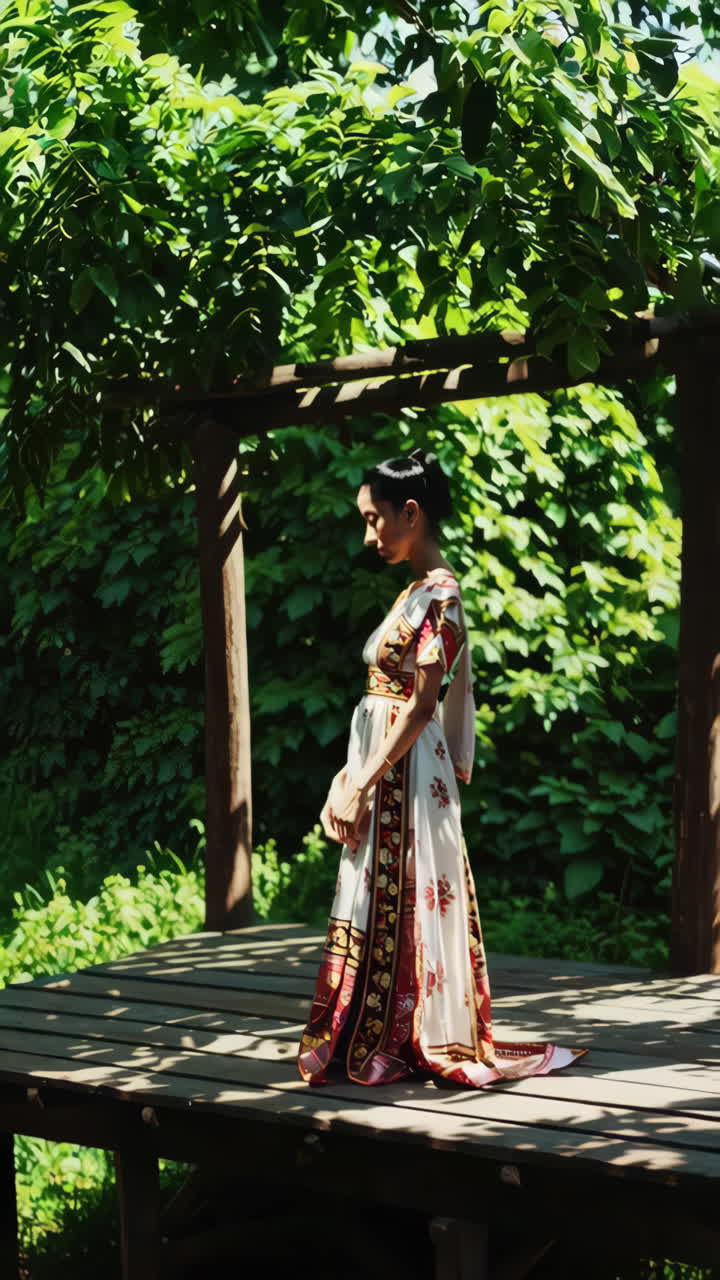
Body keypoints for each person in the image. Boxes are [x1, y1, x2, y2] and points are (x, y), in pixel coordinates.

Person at [297, 447, 585, 1087]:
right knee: (375, 885)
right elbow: (384, 700)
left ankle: (396, 1033)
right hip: (384, 765)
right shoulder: (413, 593)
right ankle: (365, 1026)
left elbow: (422, 705)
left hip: (405, 774)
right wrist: (346, 778)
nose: (369, 535)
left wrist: (362, 782)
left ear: (411, 512)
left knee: (401, 883)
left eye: (374, 519)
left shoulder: (442, 597)